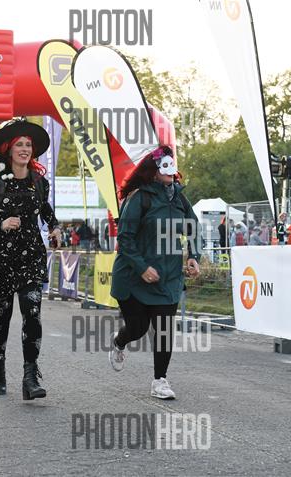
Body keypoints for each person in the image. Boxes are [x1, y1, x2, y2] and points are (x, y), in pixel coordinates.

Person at [0, 119, 61, 400]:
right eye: (19, 144)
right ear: (9, 150)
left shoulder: (39, 183)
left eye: (28, 145)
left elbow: (45, 210)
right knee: (1, 319)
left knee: (32, 314)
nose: (24, 149)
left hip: (30, 256)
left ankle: (29, 377)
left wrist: (55, 227)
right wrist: (0, 223)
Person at [109, 145, 201, 400]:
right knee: (138, 328)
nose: (171, 172)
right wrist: (142, 268)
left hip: (168, 278)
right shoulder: (140, 198)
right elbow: (125, 238)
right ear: (153, 171)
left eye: (173, 166)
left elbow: (194, 229)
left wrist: (194, 256)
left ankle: (160, 380)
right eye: (165, 167)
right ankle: (119, 341)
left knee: (163, 329)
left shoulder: (180, 199)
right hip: (133, 277)